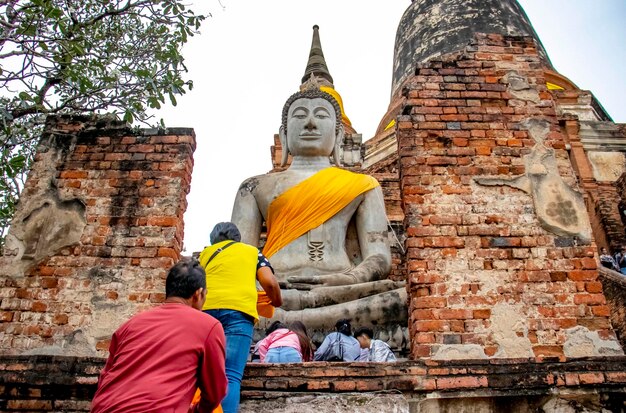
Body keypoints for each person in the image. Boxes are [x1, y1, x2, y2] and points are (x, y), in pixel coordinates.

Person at [231, 87, 406, 330]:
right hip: (274, 288)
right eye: (300, 115)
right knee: (219, 298)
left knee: (401, 298)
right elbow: (239, 258)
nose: (311, 123)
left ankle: (281, 325)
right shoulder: (254, 186)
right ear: (283, 134)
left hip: (342, 290)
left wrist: (349, 278)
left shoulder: (363, 185)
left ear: (337, 135)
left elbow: (378, 257)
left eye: (321, 116)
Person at [91, 258, 227, 413]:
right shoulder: (209, 326)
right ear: (199, 294)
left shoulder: (131, 324)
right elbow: (215, 392)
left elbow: (106, 376)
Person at [199, 222, 282, 413]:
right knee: (231, 374)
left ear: (213, 239)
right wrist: (277, 301)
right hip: (239, 313)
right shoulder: (252, 252)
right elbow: (269, 281)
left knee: (201, 371)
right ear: (238, 237)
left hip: (205, 313)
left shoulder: (205, 254)